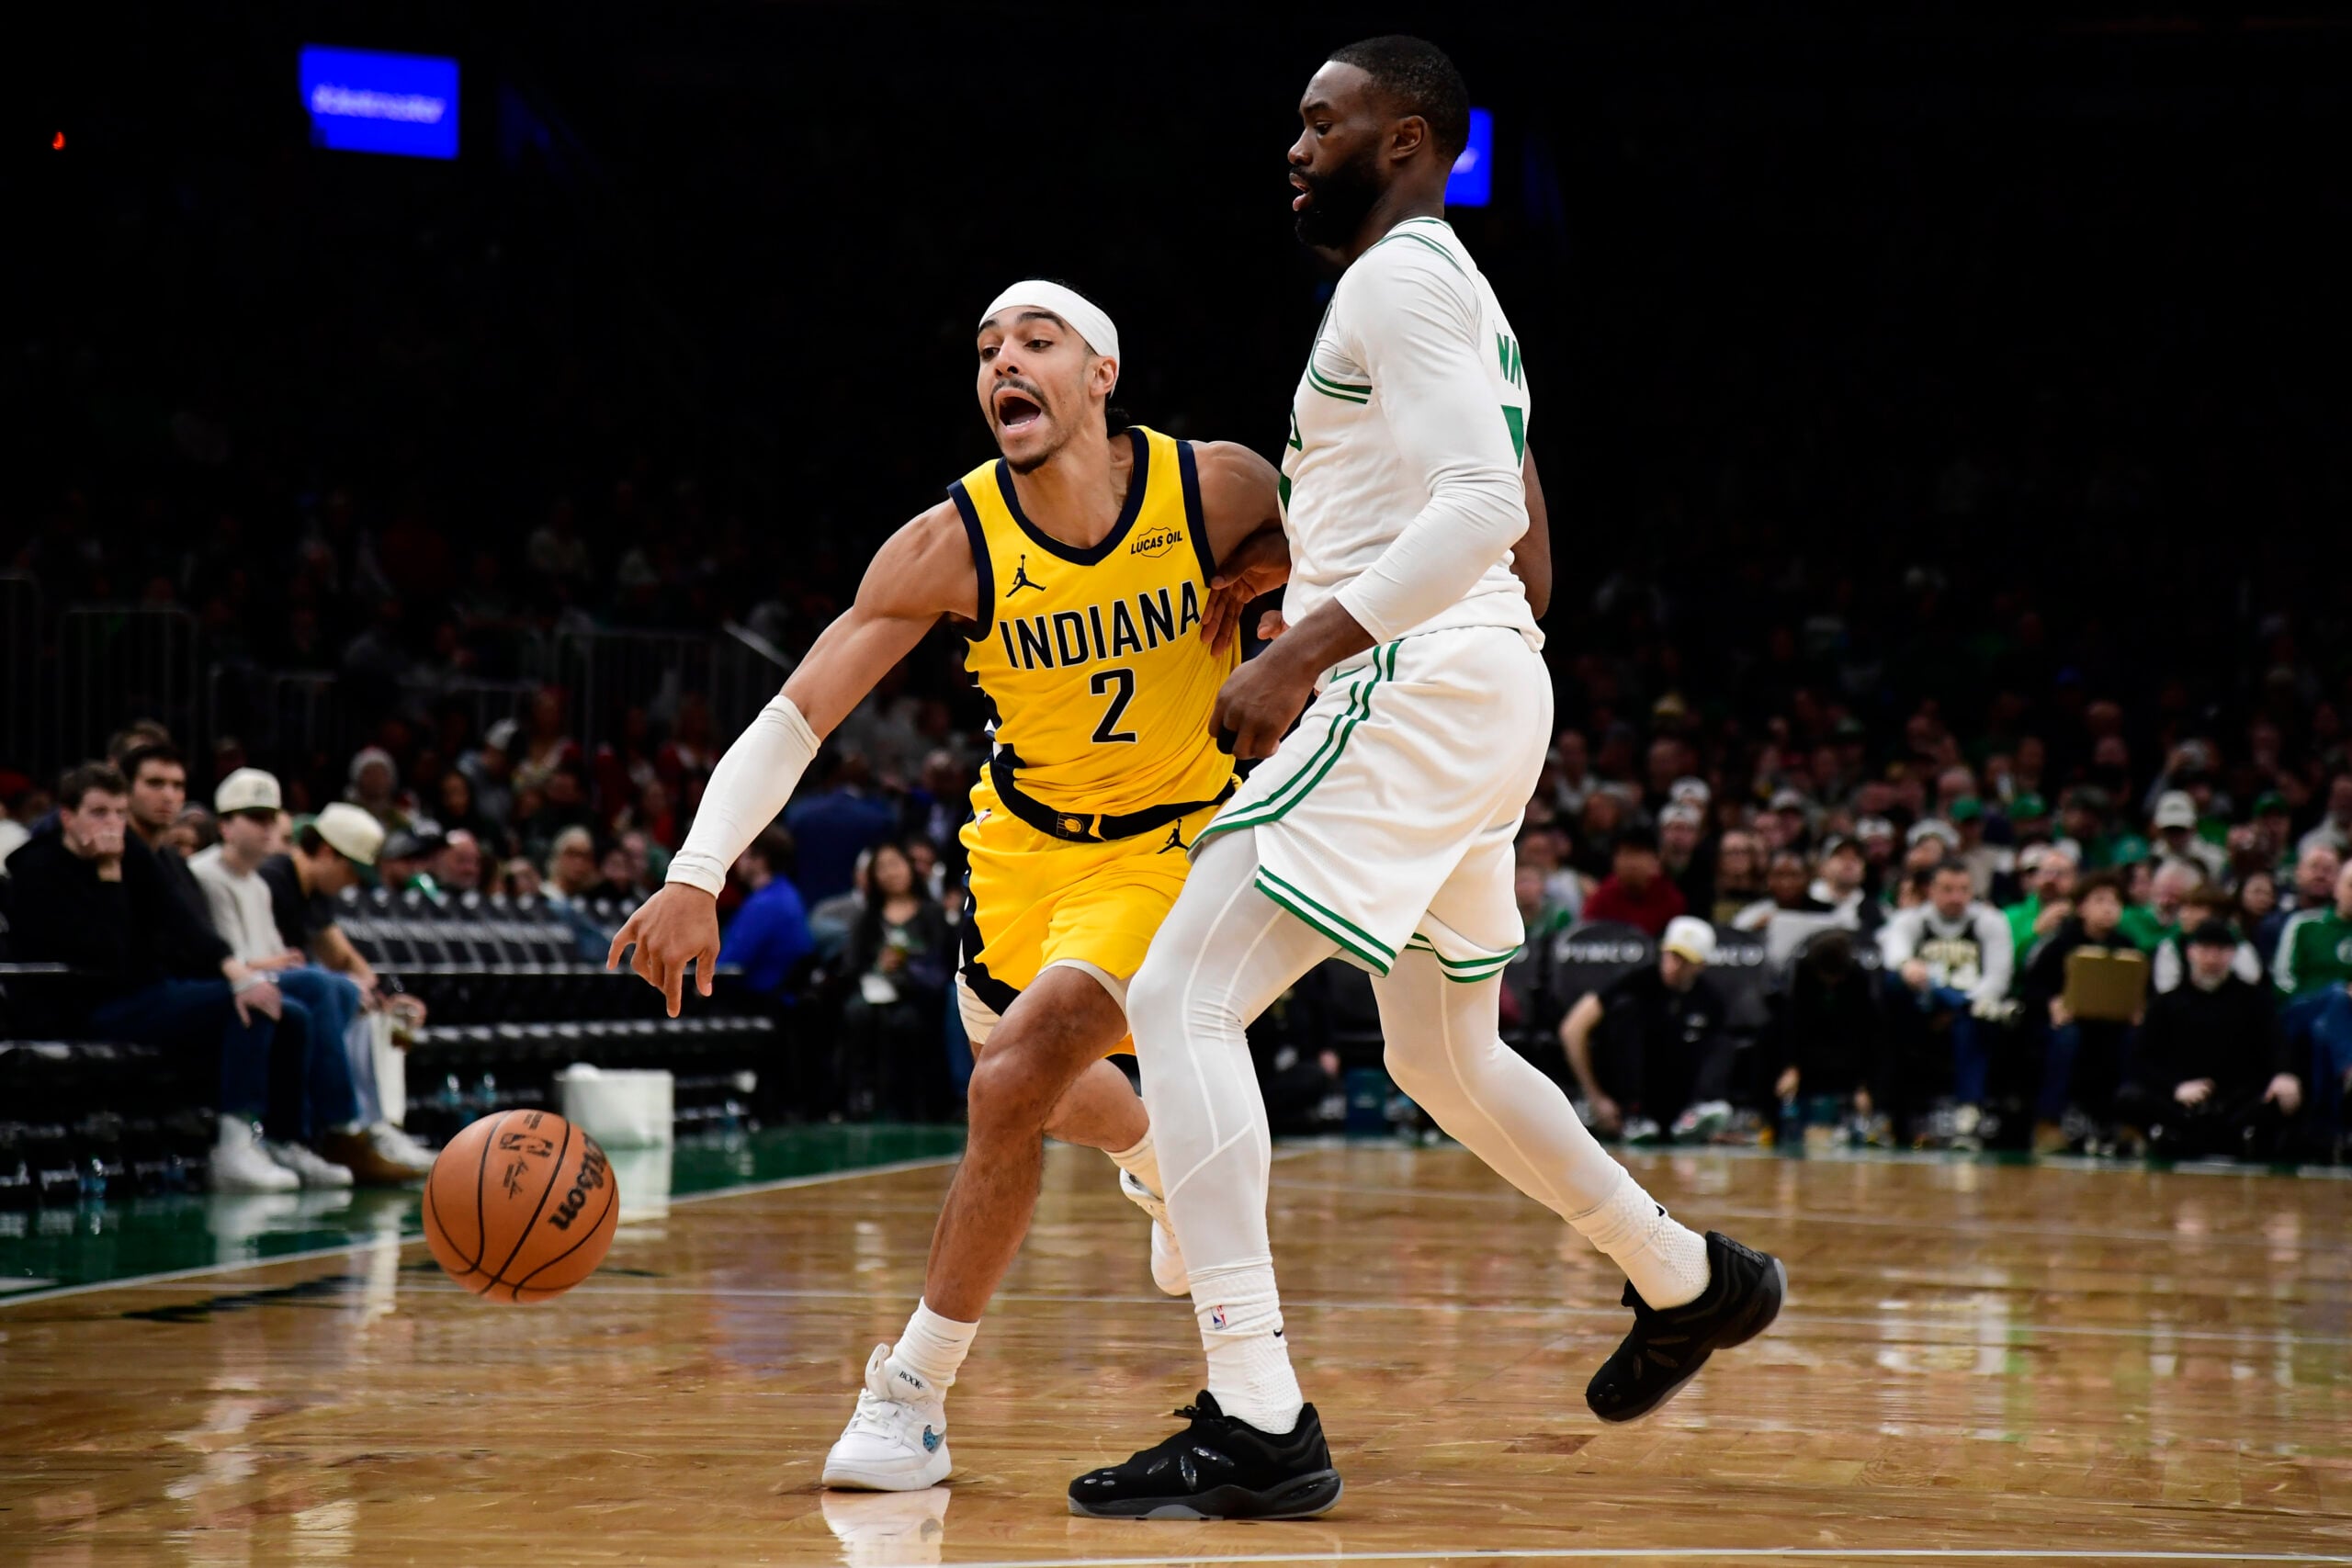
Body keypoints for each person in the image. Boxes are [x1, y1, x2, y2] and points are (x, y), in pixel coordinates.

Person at [1073, 39, 1780, 1521]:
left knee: (1179, 995)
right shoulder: (1459, 292)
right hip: (1481, 681)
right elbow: (1522, 537)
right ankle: (1688, 1274)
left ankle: (1256, 1411)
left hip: (1415, 677)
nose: (1294, 143)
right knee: (1443, 1055)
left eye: (1319, 120)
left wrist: (1302, 647)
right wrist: (1329, 564)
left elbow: (1470, 510)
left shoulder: (1395, 276)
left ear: (1407, 138)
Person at [609, 276, 1306, 1495]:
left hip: (1175, 840)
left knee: (1015, 1071)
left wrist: (1277, 578)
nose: (1003, 364)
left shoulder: (1215, 485)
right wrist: (694, 872)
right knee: (1020, 1068)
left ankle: (910, 1394)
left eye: (1036, 341)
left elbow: (1347, 538)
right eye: (986, 350)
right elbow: (801, 709)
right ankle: (1153, 1156)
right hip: (1020, 845)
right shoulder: (953, 542)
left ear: (1101, 374)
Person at [5, 762, 304, 1192]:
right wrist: (109, 875)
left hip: (144, 995)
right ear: (68, 817)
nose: (112, 825)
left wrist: (235, 972)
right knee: (247, 1012)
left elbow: (182, 920)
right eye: (99, 812)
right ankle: (235, 1146)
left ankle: (284, 1140)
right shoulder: (37, 867)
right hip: (82, 1007)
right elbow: (101, 956)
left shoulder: (132, 852)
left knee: (281, 1009)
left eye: (119, 814)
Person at [190, 770, 429, 1184]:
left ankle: (365, 1128)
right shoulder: (230, 875)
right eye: (255, 819)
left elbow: (328, 953)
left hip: (267, 981)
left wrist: (383, 992)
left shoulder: (262, 885)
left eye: (270, 820)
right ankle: (342, 1127)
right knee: (327, 987)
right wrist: (286, 966)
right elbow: (230, 956)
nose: (267, 830)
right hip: (227, 985)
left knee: (351, 996)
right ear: (225, 824)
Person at [2122, 921, 2299, 1160]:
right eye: (2205, 949)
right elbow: (2142, 1058)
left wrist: (2283, 1074)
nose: (2212, 958)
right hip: (2181, 1098)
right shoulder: (2166, 1003)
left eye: (2220, 950)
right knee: (2130, 1097)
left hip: (2237, 1097)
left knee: (2283, 1096)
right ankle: (2184, 1136)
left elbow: (2276, 1044)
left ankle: (2224, 1139)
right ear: (2190, 952)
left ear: (2232, 954)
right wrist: (2176, 1088)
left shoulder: (2255, 1000)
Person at [1558, 917, 1732, 1142]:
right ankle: (1634, 1114)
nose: (1674, 966)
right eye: (1671, 955)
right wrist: (1595, 1097)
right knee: (1627, 1013)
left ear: (1701, 965)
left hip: (1673, 1093)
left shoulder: (1710, 1000)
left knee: (1722, 1041)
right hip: (1625, 1092)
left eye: (1685, 960)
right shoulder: (1633, 983)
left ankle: (1696, 1111)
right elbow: (1572, 1029)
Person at [1880, 858, 2014, 1148]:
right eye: (1947, 889)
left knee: (1971, 1019)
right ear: (1931, 890)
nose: (1956, 897)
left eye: (1964, 889)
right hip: (1923, 1006)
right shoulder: (1912, 920)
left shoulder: (1990, 922)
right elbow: (1895, 956)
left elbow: (1998, 979)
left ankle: (1968, 1111)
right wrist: (1908, 966)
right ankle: (1891, 1112)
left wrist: (1966, 1003)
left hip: (1973, 1008)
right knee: (1895, 983)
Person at [2020, 872, 2142, 1149]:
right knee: (2066, 1038)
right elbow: (2033, 988)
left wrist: (2137, 1009)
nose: (2108, 908)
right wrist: (2052, 1004)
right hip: (2068, 1024)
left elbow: (2140, 990)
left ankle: (2128, 1123)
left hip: (2112, 1023)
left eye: (2114, 902)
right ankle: (2047, 1123)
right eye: (2099, 900)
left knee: (2133, 1039)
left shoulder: (2126, 946)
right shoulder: (2060, 944)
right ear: (2082, 907)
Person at [835, 842, 956, 1120]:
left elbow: (943, 961)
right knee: (858, 1013)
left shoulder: (932, 913)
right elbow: (853, 964)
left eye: (896, 864)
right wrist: (880, 964)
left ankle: (915, 1103)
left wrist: (907, 965)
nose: (891, 873)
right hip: (875, 990)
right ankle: (863, 1097)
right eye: (883, 867)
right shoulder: (868, 918)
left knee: (905, 1021)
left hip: (920, 993)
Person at [1770, 929, 1885, 1137]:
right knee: (1768, 1034)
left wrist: (1864, 1086)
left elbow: (1868, 1034)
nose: (1831, 982)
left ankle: (1872, 1114)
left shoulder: (1859, 978)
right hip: (1810, 1044)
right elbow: (1793, 1024)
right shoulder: (1803, 973)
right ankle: (1769, 1121)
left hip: (1848, 1047)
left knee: (1883, 1043)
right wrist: (1790, 1066)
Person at [2273, 860, 2352, 1003]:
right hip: (2308, 1011)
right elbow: (2283, 978)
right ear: (2337, 888)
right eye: (2351, 886)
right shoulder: (2304, 924)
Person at [1583, 835, 1688, 937]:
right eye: (1626, 854)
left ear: (1656, 861)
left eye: (1639, 854)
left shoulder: (1671, 900)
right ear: (1614, 862)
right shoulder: (1601, 899)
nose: (1632, 863)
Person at [1732, 847, 1832, 932]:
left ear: (1808, 878)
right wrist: (1753, 931)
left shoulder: (1829, 914)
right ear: (1768, 879)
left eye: (1794, 875)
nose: (1786, 883)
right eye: (1779, 875)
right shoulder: (1751, 915)